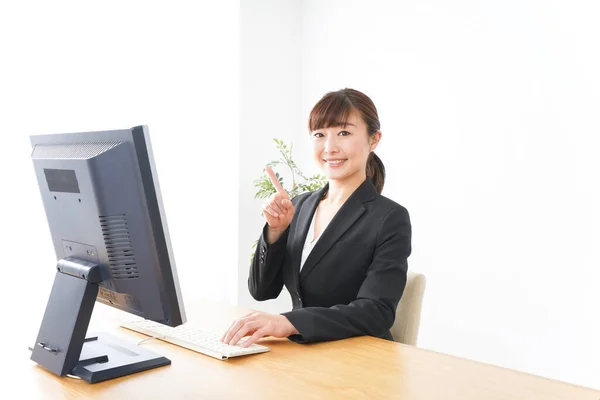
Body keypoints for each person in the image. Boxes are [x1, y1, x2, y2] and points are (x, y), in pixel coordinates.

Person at [221, 88, 412, 347]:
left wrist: (290, 322)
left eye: (344, 133)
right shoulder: (298, 206)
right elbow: (261, 291)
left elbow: (376, 311)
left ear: (373, 139)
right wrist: (275, 231)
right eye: (320, 134)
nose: (330, 147)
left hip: (358, 358)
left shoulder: (389, 217)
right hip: (304, 352)